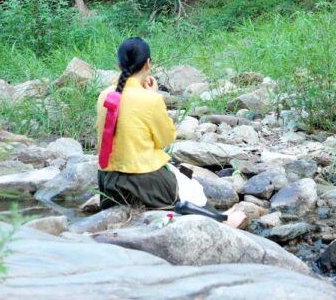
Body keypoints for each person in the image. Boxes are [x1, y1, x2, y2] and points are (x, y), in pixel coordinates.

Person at [95, 37, 245, 228]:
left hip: (108, 181)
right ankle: (220, 222)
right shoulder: (149, 99)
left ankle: (217, 216)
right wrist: (154, 96)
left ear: (119, 64)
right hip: (140, 181)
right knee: (190, 187)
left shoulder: (104, 95)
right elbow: (164, 140)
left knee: (177, 173)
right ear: (148, 63)